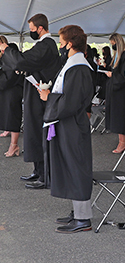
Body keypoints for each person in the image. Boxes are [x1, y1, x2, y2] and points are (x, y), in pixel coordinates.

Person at [40, 25, 93, 233]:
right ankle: (77, 213)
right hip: (68, 125)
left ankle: (83, 219)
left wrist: (48, 97)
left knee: (76, 167)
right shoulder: (73, 64)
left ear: (70, 44)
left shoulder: (79, 68)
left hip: (73, 125)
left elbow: (70, 103)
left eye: (62, 42)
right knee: (70, 166)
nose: (60, 46)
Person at [0, 13, 61, 189]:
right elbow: (27, 64)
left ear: (40, 28)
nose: (31, 32)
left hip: (40, 98)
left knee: (39, 134)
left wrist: (7, 48)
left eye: (32, 29)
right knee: (33, 132)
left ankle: (45, 175)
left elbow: (22, 61)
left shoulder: (46, 45)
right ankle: (38, 170)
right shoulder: (42, 45)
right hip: (34, 95)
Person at [105, 33, 125, 153]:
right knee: (116, 117)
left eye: (114, 44)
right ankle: (122, 142)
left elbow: (124, 75)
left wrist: (113, 75)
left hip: (123, 93)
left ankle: (123, 143)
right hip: (115, 92)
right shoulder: (116, 55)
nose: (113, 46)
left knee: (121, 117)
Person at [0, 40, 24, 157]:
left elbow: (9, 77)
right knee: (10, 115)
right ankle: (13, 145)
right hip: (9, 90)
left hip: (13, 90)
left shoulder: (12, 55)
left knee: (13, 115)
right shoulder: (7, 56)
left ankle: (14, 146)